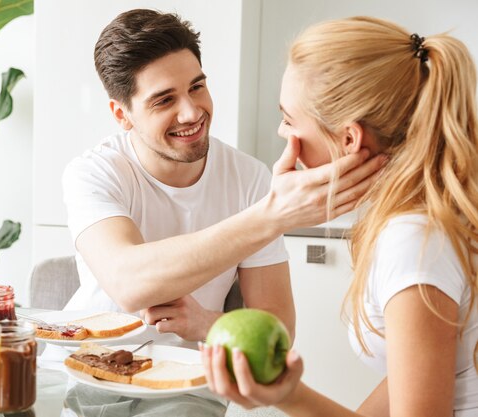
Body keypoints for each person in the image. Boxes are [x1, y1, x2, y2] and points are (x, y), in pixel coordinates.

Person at [201, 16, 478, 416]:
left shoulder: (413, 241)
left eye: (290, 118)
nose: (282, 131)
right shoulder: (425, 219)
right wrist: (286, 396)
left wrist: (288, 396)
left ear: (349, 139)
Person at [62, 10, 385, 342]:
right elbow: (128, 284)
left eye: (197, 87)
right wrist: (272, 216)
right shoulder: (93, 173)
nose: (191, 112)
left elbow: (279, 332)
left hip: (187, 386)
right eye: (164, 100)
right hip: (83, 369)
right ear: (122, 114)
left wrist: (207, 324)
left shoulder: (248, 179)